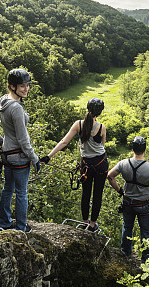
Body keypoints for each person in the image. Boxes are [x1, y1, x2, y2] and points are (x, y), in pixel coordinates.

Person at [42, 98, 107, 232]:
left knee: (86, 193)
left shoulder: (78, 124)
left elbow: (64, 141)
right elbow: (102, 146)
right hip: (100, 164)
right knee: (97, 195)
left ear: (87, 108)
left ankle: (85, 222)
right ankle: (93, 225)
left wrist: (49, 156)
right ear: (99, 113)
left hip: (86, 165)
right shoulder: (101, 128)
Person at [0, 68, 39, 232]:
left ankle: (5, 223)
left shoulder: (3, 100)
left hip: (6, 154)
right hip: (19, 156)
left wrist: (1, 142)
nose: (26, 89)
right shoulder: (16, 108)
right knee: (21, 193)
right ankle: (21, 228)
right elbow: (23, 140)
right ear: (12, 86)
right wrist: (35, 158)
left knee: (8, 188)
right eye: (22, 86)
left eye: (27, 85)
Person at [107, 136, 149, 262]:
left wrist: (119, 190)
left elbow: (110, 176)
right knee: (146, 233)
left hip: (128, 202)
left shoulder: (123, 164)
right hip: (144, 205)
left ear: (132, 149)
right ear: (144, 149)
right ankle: (145, 261)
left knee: (127, 227)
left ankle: (125, 254)